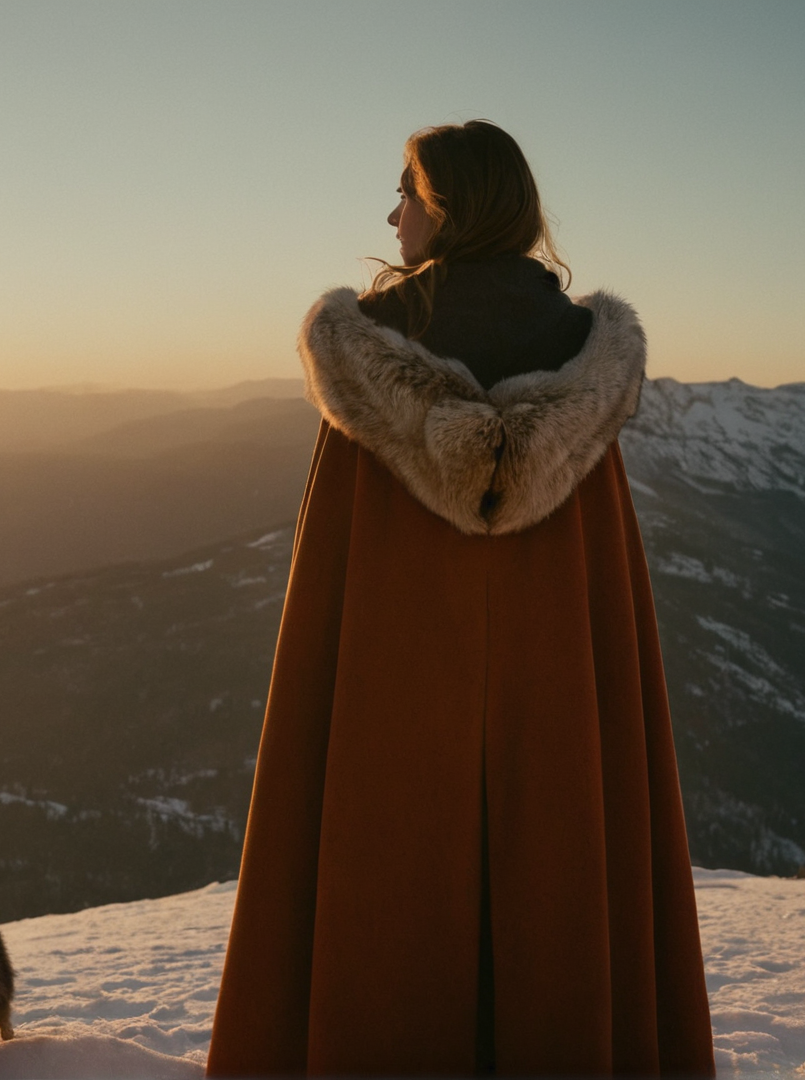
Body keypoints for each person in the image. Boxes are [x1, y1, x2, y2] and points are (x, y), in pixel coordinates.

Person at [206, 121, 715, 1076]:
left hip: (385, 701)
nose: (393, 212)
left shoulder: (368, 350)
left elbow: (338, 586)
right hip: (554, 698)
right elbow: (599, 586)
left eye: (405, 189)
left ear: (448, 204)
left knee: (376, 863)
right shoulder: (583, 356)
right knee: (563, 857)